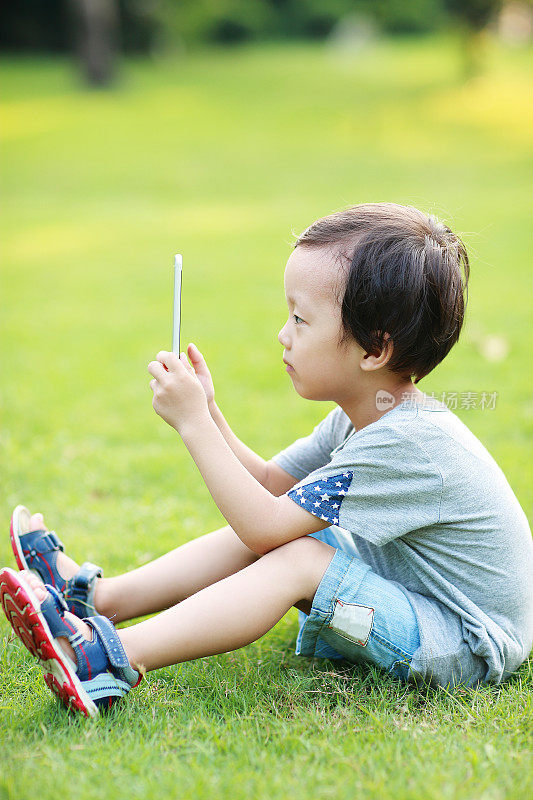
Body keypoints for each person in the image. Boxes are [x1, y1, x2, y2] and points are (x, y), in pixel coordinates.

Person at [2, 203, 532, 718]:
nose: (284, 333)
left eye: (301, 318)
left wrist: (191, 427)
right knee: (288, 535)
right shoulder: (370, 412)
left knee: (296, 557)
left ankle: (109, 656)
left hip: (465, 642)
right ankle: (97, 599)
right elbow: (274, 486)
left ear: (375, 349)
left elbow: (262, 527)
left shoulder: (407, 443)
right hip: (416, 594)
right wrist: (208, 413)